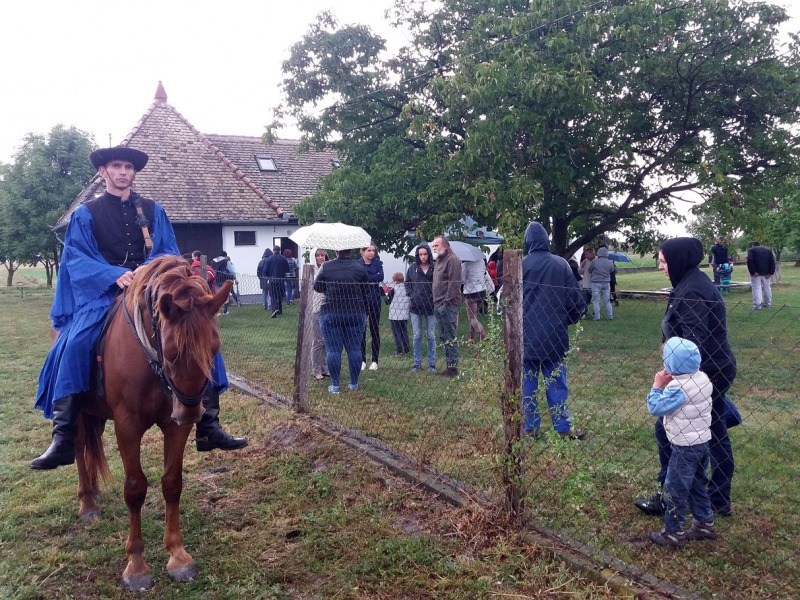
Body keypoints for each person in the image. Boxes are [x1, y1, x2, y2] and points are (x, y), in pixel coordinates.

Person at [32, 146, 246, 470]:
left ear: (133, 173)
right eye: (116, 166)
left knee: (199, 335)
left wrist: (147, 275)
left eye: (128, 167)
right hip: (104, 294)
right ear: (103, 172)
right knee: (73, 343)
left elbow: (169, 253)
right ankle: (63, 436)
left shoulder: (153, 209)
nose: (123, 172)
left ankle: (209, 424)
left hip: (150, 292)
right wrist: (114, 274)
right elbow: (76, 258)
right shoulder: (85, 214)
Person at [634, 237, 737, 518]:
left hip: (707, 372)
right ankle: (712, 496)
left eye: (664, 260)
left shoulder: (692, 291)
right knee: (711, 430)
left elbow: (694, 343)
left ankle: (674, 496)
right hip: (704, 371)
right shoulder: (688, 283)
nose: (660, 266)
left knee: (682, 430)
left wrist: (673, 375)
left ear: (679, 260)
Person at [646, 337, 717, 547]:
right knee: (697, 484)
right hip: (702, 443)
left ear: (671, 365)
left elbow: (656, 408)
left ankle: (672, 533)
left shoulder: (678, 389)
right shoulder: (702, 378)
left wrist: (657, 386)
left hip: (684, 448)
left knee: (674, 490)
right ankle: (705, 523)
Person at [521, 222, 587, 440]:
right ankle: (563, 428)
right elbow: (576, 302)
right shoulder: (561, 265)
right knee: (557, 383)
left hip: (525, 336)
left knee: (527, 384)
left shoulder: (520, 265)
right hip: (554, 335)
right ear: (546, 241)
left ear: (527, 241)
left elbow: (507, 304)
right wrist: (562, 321)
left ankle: (529, 428)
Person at [314, 249, 369, 393]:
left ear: (336, 250)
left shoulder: (326, 266)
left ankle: (335, 385)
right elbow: (365, 291)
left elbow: (317, 287)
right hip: (355, 312)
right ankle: (353, 384)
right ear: (351, 250)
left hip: (331, 311)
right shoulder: (359, 268)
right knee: (354, 349)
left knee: (333, 350)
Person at [431, 236, 463, 378]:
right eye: (433, 246)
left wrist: (446, 302)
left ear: (445, 246)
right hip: (437, 303)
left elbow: (454, 283)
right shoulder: (439, 260)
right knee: (444, 336)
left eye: (436, 245)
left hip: (448, 304)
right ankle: (448, 366)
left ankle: (453, 368)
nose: (434, 248)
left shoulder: (453, 260)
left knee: (450, 336)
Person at [406, 243, 437, 372]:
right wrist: (412, 295)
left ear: (429, 254)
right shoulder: (412, 268)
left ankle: (432, 364)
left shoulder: (435, 268)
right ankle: (416, 363)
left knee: (431, 335)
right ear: (417, 255)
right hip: (415, 306)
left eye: (425, 254)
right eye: (421, 254)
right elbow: (407, 283)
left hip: (431, 306)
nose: (423, 257)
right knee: (417, 335)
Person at [359, 243, 384, 371]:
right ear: (362, 251)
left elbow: (380, 277)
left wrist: (367, 278)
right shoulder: (357, 264)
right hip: (361, 299)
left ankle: (375, 360)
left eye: (373, 250)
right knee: (361, 330)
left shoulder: (378, 264)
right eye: (369, 250)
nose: (371, 253)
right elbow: (358, 279)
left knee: (374, 329)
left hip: (374, 299)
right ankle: (362, 359)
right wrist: (370, 279)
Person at [310, 248, 330, 380]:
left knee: (326, 341)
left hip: (327, 307)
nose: (321, 258)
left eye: (323, 255)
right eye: (318, 255)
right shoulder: (310, 270)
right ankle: (316, 369)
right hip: (315, 308)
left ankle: (325, 368)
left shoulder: (328, 269)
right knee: (317, 341)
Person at [462, 258, 488, 343]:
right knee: (474, 316)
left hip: (471, 293)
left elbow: (462, 280)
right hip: (482, 292)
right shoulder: (481, 262)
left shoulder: (465, 264)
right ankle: (471, 337)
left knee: (472, 317)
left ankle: (483, 335)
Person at [588, 246, 616, 321]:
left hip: (596, 282)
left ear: (598, 253)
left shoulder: (595, 261)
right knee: (607, 300)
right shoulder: (610, 262)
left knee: (596, 300)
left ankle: (597, 317)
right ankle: (610, 316)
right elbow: (612, 270)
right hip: (606, 283)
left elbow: (589, 270)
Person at [386, 272, 411, 355]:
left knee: (396, 333)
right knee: (404, 331)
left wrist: (387, 295)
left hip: (394, 315)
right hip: (404, 315)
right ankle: (406, 348)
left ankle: (399, 350)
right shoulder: (407, 289)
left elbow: (387, 301)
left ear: (395, 281)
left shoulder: (393, 290)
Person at [746, 242, 776, 310]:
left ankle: (757, 305)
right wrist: (771, 272)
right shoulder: (768, 250)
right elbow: (772, 262)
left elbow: (749, 261)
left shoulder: (752, 250)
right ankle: (767, 303)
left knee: (756, 288)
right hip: (766, 273)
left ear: (753, 246)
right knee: (767, 288)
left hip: (756, 273)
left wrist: (753, 272)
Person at [263, 245, 289, 318]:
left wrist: (269, 276)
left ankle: (274, 310)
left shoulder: (269, 259)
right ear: (279, 250)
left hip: (272, 280)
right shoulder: (283, 259)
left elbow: (265, 271)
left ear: (273, 250)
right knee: (280, 295)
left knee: (273, 296)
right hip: (281, 280)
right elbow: (287, 270)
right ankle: (280, 310)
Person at [578, 247, 595, 314]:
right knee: (585, 300)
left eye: (587, 254)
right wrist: (581, 266)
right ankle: (584, 312)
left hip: (594, 284)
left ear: (592, 254)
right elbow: (580, 272)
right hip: (586, 284)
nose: (586, 256)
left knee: (595, 300)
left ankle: (595, 312)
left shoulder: (596, 260)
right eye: (585, 254)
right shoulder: (585, 261)